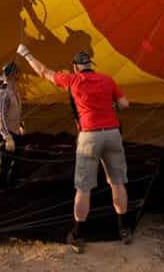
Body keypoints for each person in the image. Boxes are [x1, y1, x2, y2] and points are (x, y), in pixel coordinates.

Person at [17, 45, 130, 252]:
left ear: (76, 67)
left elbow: (43, 72)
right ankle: (123, 229)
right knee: (118, 182)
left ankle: (77, 234)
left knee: (83, 187)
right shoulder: (107, 79)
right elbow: (124, 104)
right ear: (90, 65)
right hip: (113, 134)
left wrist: (26, 53)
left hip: (89, 136)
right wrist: (111, 105)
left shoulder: (72, 80)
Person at [0, 61, 24, 190]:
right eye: (16, 75)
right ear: (12, 76)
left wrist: (20, 125)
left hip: (14, 132)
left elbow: (15, 112)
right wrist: (7, 136)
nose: (18, 77)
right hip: (6, 135)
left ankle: (9, 187)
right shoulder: (3, 93)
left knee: (13, 162)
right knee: (3, 165)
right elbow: (0, 117)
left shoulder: (14, 91)